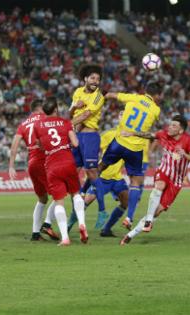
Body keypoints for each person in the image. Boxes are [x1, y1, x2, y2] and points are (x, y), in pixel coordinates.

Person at [119, 115, 190, 245]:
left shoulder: (188, 141)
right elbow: (148, 135)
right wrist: (131, 133)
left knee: (158, 210)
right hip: (164, 171)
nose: (170, 127)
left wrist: (184, 154)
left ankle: (130, 235)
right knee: (159, 186)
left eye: (174, 125)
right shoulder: (163, 134)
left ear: (180, 130)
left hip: (177, 181)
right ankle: (149, 221)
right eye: (170, 124)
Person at [98, 83, 163, 231]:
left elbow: (113, 95)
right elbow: (153, 123)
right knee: (135, 181)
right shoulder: (156, 110)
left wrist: (104, 94)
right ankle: (129, 217)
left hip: (119, 142)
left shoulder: (134, 98)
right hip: (135, 149)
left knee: (101, 166)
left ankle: (84, 191)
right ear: (157, 95)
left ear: (145, 91)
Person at [33, 97, 88, 246]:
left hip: (51, 165)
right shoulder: (65, 123)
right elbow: (75, 143)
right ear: (56, 109)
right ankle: (82, 224)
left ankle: (65, 238)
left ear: (44, 111)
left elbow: (39, 145)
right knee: (76, 193)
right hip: (68, 161)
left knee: (59, 202)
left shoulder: (38, 125)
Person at [8, 99, 59, 241]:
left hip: (31, 164)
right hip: (44, 161)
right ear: (41, 108)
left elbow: (14, 146)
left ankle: (35, 234)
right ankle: (47, 224)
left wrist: (11, 166)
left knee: (42, 198)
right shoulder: (45, 119)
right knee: (60, 194)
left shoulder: (23, 124)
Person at [68, 128, 129, 236]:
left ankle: (106, 229)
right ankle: (67, 227)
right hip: (102, 176)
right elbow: (94, 147)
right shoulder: (110, 134)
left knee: (125, 202)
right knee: (85, 202)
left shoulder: (132, 137)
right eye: (121, 115)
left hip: (117, 178)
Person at [69, 65, 105, 206]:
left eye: (98, 79)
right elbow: (70, 113)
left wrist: (66, 125)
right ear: (85, 78)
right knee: (71, 173)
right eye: (92, 78)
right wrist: (74, 107)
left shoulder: (98, 96)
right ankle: (77, 206)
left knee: (91, 172)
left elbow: (86, 114)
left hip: (90, 136)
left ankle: (102, 209)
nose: (95, 81)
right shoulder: (77, 92)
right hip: (77, 136)